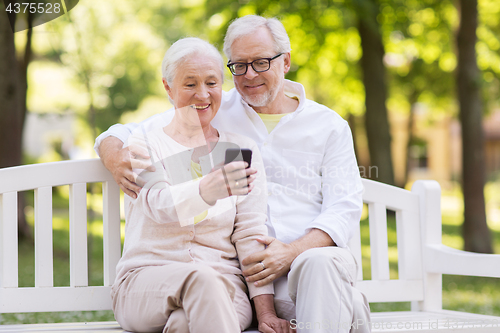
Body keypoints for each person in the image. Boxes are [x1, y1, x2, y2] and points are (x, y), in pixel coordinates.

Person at [97, 16, 371, 333]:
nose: (249, 74)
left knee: (320, 265)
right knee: (190, 316)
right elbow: (130, 133)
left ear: (286, 62)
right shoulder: (211, 104)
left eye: (260, 62)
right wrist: (114, 155)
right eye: (239, 66)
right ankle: (348, 309)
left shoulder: (329, 125)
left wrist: (292, 252)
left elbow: (344, 208)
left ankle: (344, 305)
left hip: (309, 268)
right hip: (246, 283)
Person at [110, 37, 291, 333]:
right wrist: (208, 189)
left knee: (184, 323)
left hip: (226, 289)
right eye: (190, 84)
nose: (202, 94)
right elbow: (159, 204)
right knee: (202, 279)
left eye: (211, 82)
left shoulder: (238, 149)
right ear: (168, 88)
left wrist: (266, 313)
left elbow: (249, 234)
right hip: (145, 285)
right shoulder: (144, 142)